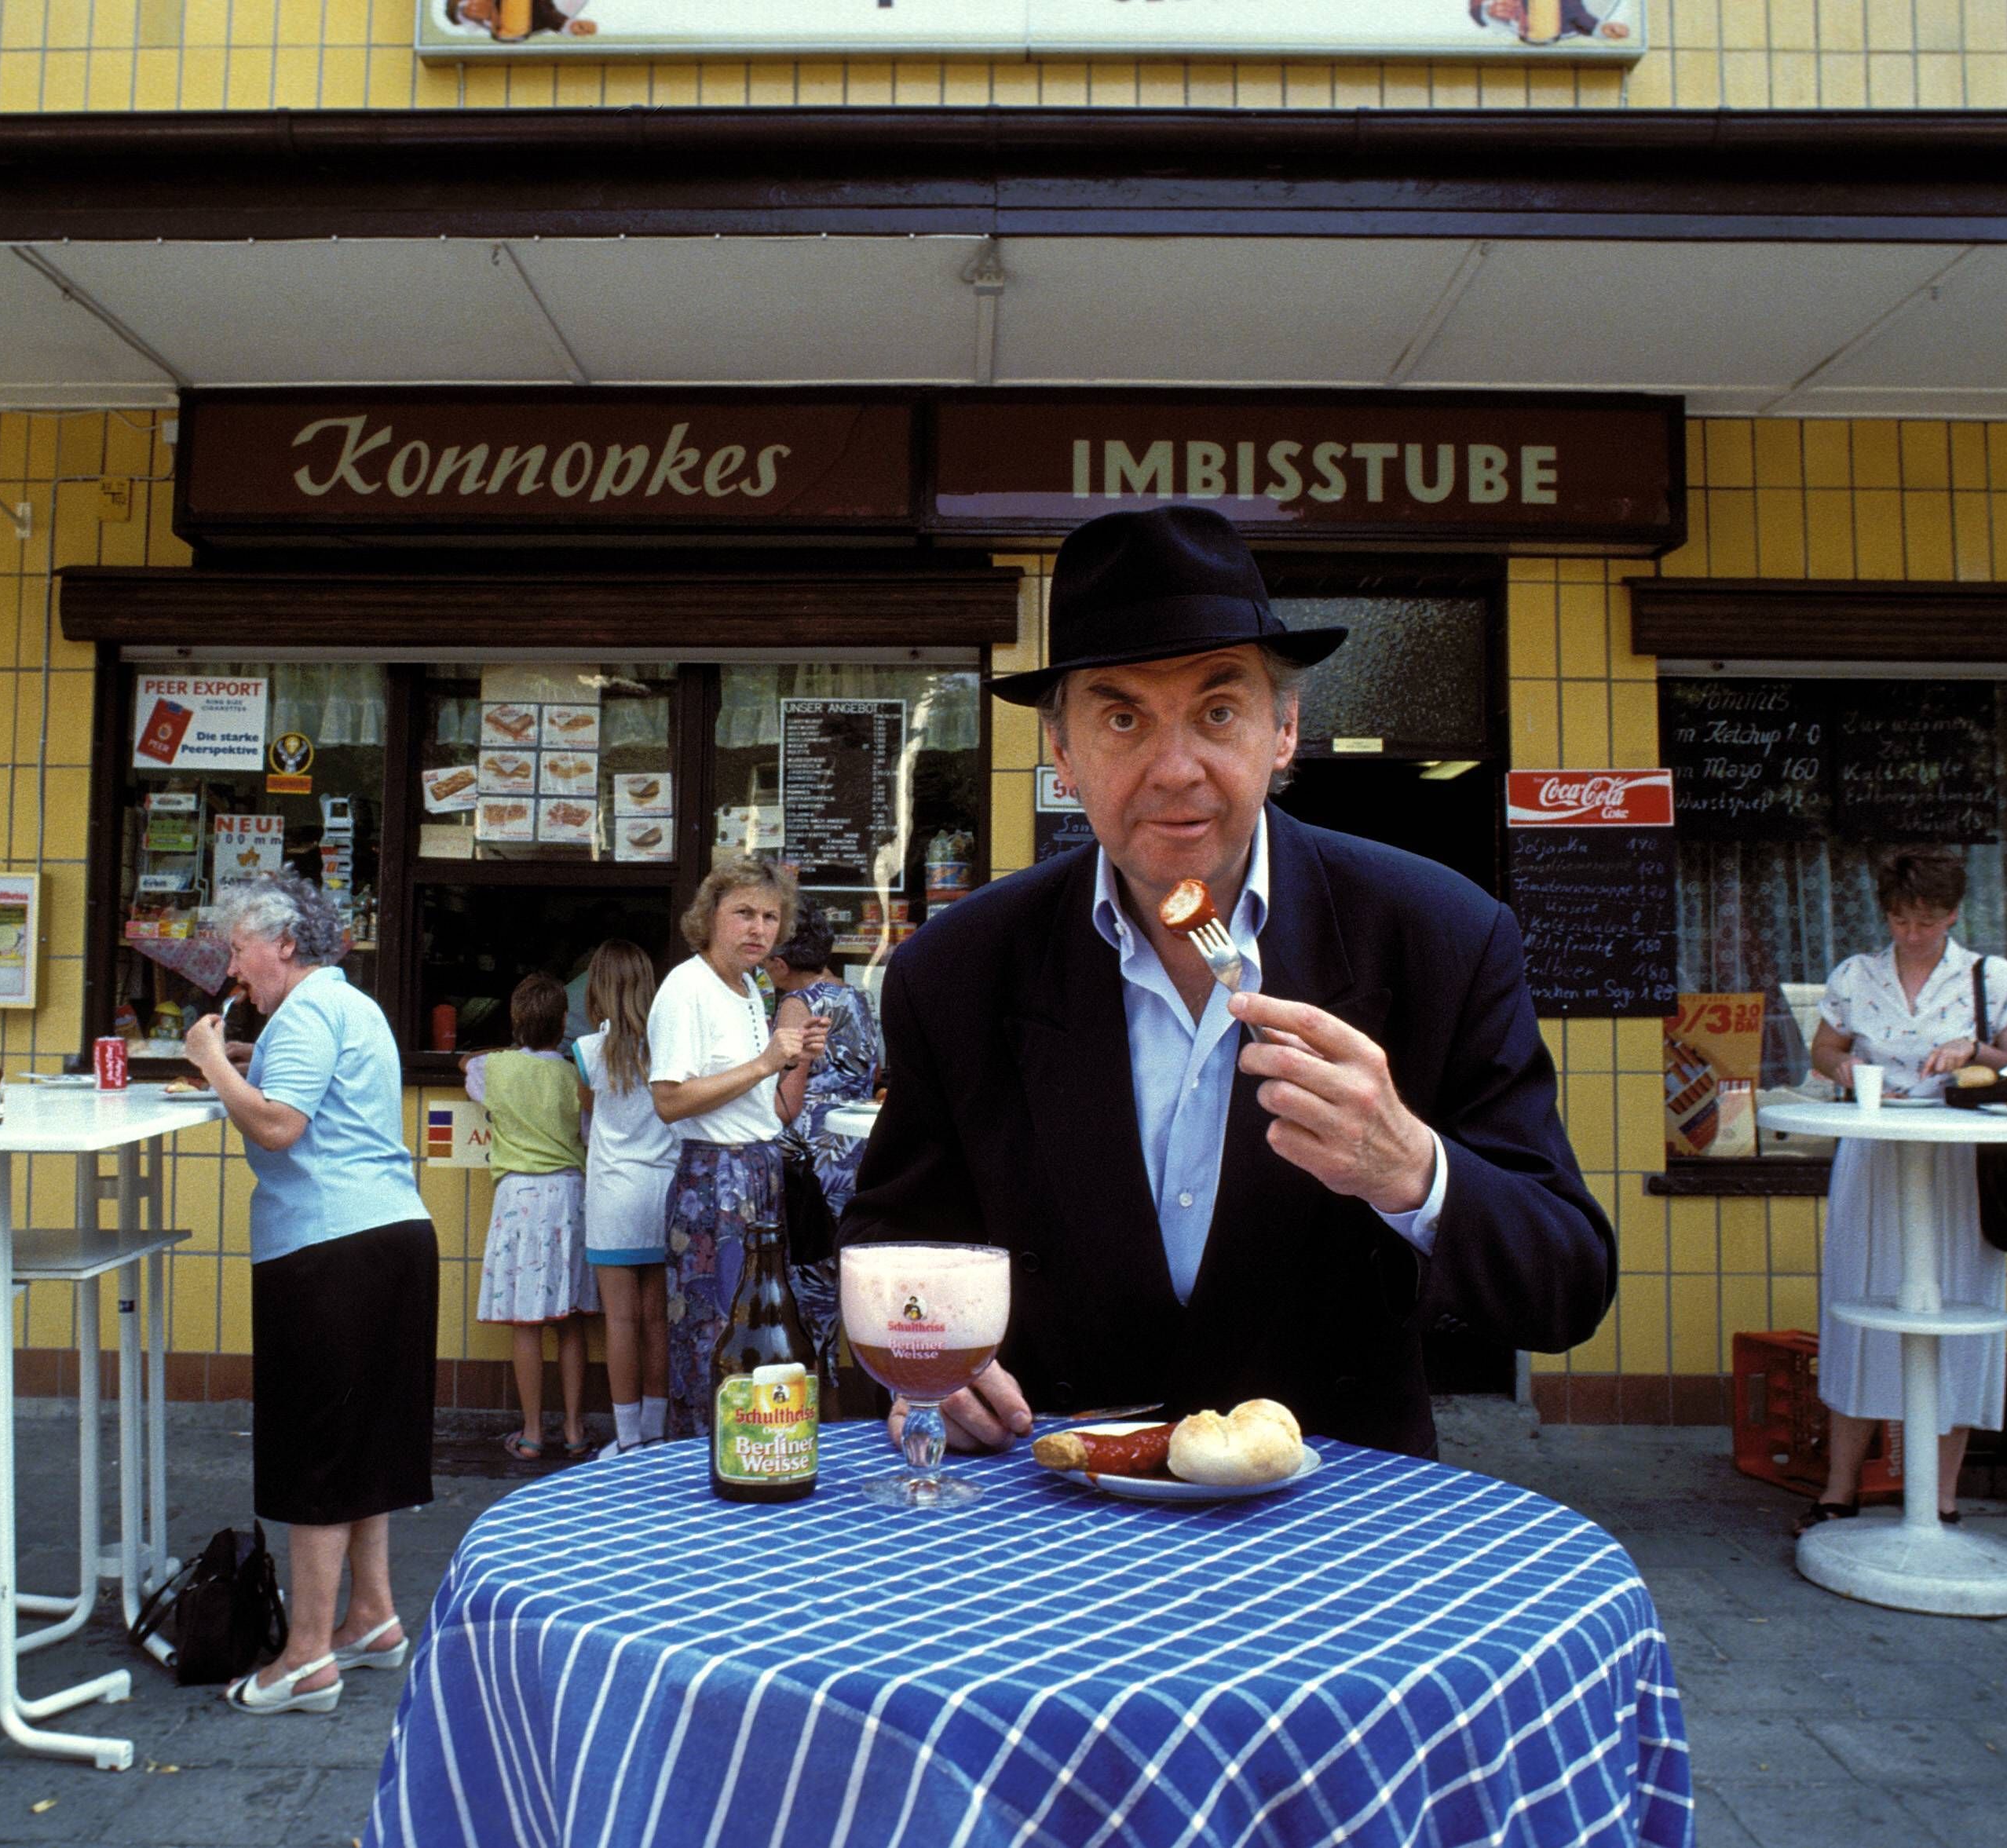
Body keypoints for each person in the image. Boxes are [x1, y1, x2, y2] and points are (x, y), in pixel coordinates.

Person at [842, 506, 1613, 1458]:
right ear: (1063, 752)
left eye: (1218, 711)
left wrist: (1411, 1168)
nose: (1176, 769)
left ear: (1283, 729)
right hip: (1052, 1490)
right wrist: (925, 1361)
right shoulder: (955, 969)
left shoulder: (1441, 936)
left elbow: (1568, 1288)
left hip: (1336, 1504)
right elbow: (891, 1244)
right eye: (1123, 717)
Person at [183, 872, 437, 1713]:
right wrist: (249, 1064)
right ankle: (372, 1616)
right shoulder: (347, 1004)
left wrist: (212, 1060)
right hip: (393, 1236)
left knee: (318, 1451)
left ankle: (305, 1657)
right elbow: (308, 1100)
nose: (232, 967)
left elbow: (279, 1126)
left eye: (239, 948)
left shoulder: (302, 1015)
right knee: (361, 1444)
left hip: (329, 1248)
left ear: (284, 943)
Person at [1802, 846, 2007, 1532]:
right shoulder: (1857, 974)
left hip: (1960, 1161)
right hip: (1874, 1153)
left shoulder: (1992, 978)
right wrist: (1845, 1069)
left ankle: (1940, 1496)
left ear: (1953, 915)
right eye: (1901, 920)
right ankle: (1839, 1489)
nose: (1912, 933)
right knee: (1856, 1304)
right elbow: (1824, 1047)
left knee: (1954, 1307)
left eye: (1927, 921)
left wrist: (1974, 1052)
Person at [651, 858, 827, 1439]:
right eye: (744, 913)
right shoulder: (687, 987)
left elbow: (762, 1104)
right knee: (712, 1330)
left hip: (758, 1169)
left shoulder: (750, 988)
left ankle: (752, 1453)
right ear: (710, 917)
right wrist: (764, 1062)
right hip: (713, 1178)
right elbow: (669, 1100)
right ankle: (699, 1459)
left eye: (770, 917)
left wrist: (794, 1059)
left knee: (756, 1327)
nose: (758, 928)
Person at [468, 973, 599, 1463]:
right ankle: (575, 1429)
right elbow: (588, 1130)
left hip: (517, 1200)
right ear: (564, 1023)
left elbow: (468, 1065)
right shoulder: (574, 1077)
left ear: (515, 1021)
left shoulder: (495, 1069)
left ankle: (531, 1434)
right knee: (570, 1322)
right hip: (569, 1197)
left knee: (526, 1323)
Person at [766, 900, 883, 1377]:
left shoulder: (798, 1004)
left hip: (813, 1163)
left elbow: (787, 1102)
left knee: (809, 1288)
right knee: (849, 1282)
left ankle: (816, 1399)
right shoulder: (857, 997)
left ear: (780, 964)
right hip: (858, 1151)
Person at [576, 940, 677, 1459]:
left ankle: (629, 1437)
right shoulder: (668, 1050)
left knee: (620, 1322)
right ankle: (657, 1432)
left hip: (612, 1196)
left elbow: (588, 1117)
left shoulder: (587, 1052)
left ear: (596, 989)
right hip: (663, 1194)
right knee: (657, 1320)